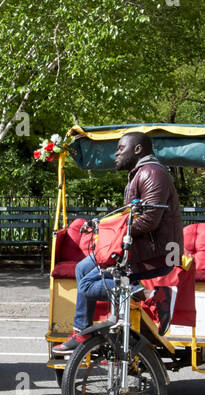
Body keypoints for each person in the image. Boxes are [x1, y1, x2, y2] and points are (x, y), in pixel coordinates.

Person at [53, 131, 182, 353]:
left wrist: (116, 236)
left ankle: (154, 295)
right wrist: (100, 225)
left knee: (87, 285)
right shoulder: (140, 173)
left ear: (138, 149)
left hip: (152, 252)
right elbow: (129, 215)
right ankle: (82, 330)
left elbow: (150, 220)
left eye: (121, 149)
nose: (116, 154)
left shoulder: (152, 173)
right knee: (83, 268)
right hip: (136, 247)